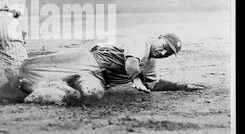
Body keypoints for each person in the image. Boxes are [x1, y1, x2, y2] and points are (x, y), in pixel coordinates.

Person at [18, 33, 204, 105]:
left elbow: (154, 84)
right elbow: (131, 64)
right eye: (164, 46)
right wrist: (137, 79)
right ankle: (20, 78)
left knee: (91, 95)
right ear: (158, 37)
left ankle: (39, 89)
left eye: (168, 53)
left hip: (100, 79)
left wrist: (181, 86)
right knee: (33, 66)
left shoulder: (151, 63)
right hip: (88, 60)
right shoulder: (141, 41)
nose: (163, 52)